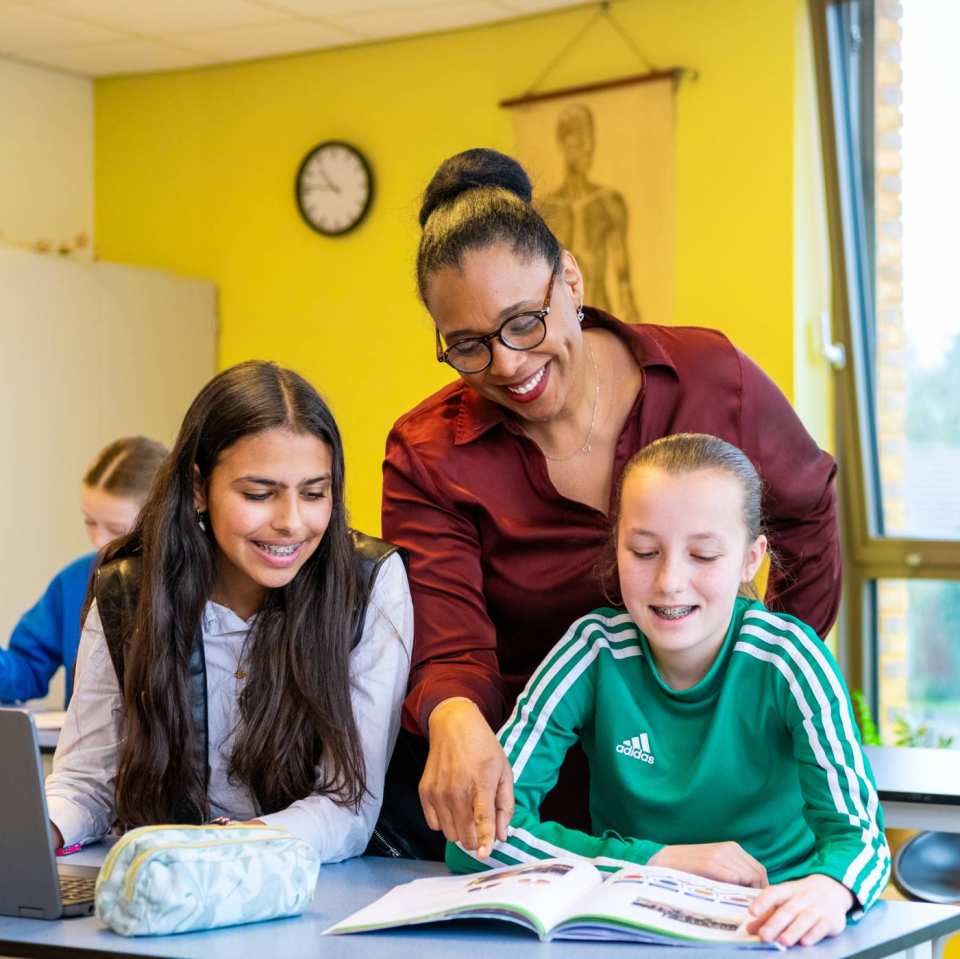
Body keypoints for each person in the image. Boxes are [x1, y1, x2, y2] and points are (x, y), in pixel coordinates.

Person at [381, 148, 842, 860]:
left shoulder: (710, 378)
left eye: (524, 323)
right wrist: (454, 716)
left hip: (727, 806)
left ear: (569, 277)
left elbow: (807, 517)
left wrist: (750, 681)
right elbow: (450, 637)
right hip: (541, 809)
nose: (506, 364)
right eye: (468, 345)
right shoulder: (430, 452)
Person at [446, 434, 890, 948]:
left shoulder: (790, 658)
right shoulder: (592, 650)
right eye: (644, 551)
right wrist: (657, 859)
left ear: (751, 560)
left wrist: (830, 888)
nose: (669, 581)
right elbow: (476, 837)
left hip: (770, 930)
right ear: (616, 548)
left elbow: (862, 842)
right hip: (622, 928)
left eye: (703, 554)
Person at [45, 361, 413, 862]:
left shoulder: (369, 583)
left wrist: (222, 846)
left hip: (311, 888)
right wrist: (37, 832)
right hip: (167, 884)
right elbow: (86, 782)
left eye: (314, 493)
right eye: (258, 494)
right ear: (199, 487)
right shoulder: (129, 585)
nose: (291, 522)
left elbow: (347, 807)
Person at [0, 436, 167, 706]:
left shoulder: (194, 583)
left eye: (116, 530)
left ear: (161, 518)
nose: (100, 541)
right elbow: (26, 669)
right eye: (90, 522)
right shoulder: (73, 580)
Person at [538, 103, 641, 323]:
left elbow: (624, 282)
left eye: (589, 137)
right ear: (563, 143)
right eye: (579, 137)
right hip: (559, 319)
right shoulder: (546, 209)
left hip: (600, 314)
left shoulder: (609, 202)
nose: (587, 146)